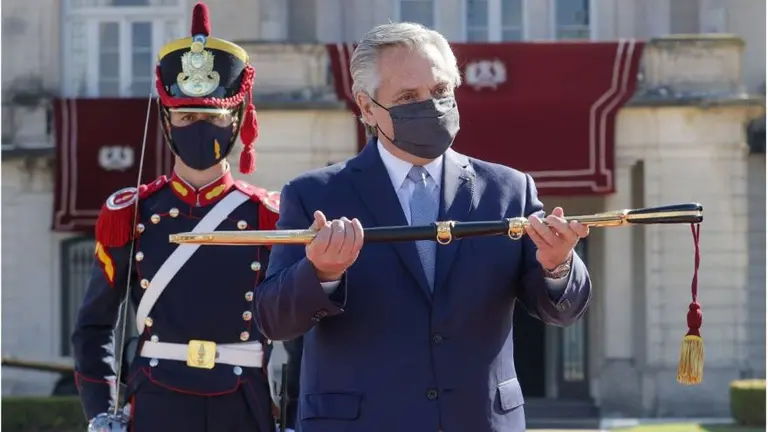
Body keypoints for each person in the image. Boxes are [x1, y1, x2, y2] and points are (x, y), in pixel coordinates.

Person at [254, 22, 593, 432]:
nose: (430, 107)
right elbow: (273, 320)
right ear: (366, 106)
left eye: (439, 92)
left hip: (479, 420)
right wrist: (320, 274)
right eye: (408, 97)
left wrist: (558, 267)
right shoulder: (315, 195)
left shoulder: (508, 190)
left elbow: (559, 310)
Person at [71, 3, 299, 431]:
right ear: (167, 121)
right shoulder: (133, 212)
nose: (199, 128)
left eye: (212, 118)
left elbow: (301, 327)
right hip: (156, 400)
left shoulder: (269, 215)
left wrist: (298, 414)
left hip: (243, 402)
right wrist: (101, 411)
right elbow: (94, 325)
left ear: (235, 122)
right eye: (186, 116)